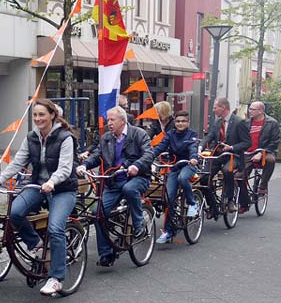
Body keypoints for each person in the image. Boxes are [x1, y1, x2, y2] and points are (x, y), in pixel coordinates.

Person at [0, 99, 78, 295]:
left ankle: (56, 278)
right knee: (14, 213)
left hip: (63, 189)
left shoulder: (65, 138)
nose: (38, 119)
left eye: (42, 115)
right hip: (38, 186)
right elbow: (17, 162)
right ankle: (37, 245)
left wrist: (52, 182)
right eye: (35, 115)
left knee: (55, 228)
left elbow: (65, 168)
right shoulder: (31, 137)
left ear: (52, 115)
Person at [77, 106, 153, 267]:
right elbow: (98, 155)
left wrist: (137, 166)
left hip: (137, 177)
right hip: (113, 182)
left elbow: (148, 154)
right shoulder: (106, 138)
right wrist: (85, 165)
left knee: (129, 189)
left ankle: (139, 224)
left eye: (112, 120)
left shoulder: (139, 134)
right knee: (97, 213)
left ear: (123, 120)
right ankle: (106, 253)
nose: (108, 123)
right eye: (107, 120)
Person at [152, 110, 200, 243]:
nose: (180, 123)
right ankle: (169, 231)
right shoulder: (170, 134)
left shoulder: (192, 134)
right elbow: (161, 147)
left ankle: (192, 204)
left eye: (183, 121)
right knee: (169, 198)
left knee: (183, 178)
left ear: (188, 122)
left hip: (188, 164)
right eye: (178, 121)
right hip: (174, 166)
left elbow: (193, 148)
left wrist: (193, 158)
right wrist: (149, 156)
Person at [201, 97, 250, 215]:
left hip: (234, 156)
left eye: (215, 107)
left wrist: (232, 148)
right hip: (219, 156)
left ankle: (230, 200)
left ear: (223, 107)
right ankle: (212, 205)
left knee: (227, 170)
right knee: (203, 178)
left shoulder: (239, 122)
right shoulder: (217, 122)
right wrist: (200, 147)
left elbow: (247, 142)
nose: (213, 110)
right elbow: (209, 136)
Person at [238, 101, 280, 214]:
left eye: (253, 109)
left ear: (261, 111)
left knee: (270, 160)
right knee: (238, 177)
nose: (250, 111)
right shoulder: (245, 123)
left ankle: (263, 185)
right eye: (250, 109)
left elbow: (274, 142)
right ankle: (244, 202)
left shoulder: (272, 123)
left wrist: (261, 152)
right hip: (248, 153)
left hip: (265, 151)